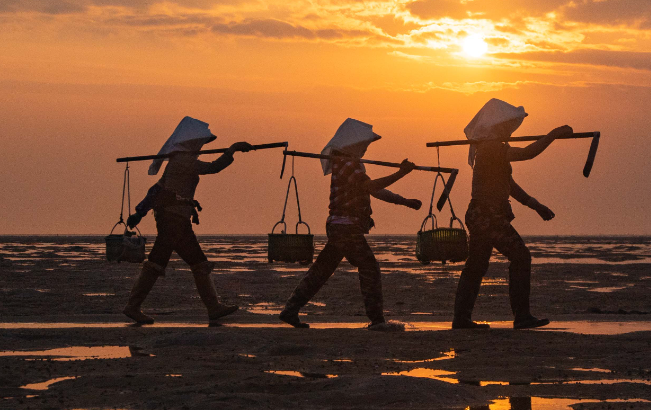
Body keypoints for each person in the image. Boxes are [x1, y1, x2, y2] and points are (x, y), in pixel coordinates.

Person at [278, 118, 422, 330]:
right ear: (354, 144)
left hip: (340, 227)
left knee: (322, 270)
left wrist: (404, 201)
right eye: (364, 145)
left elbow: (372, 189)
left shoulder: (348, 164)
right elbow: (371, 187)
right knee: (369, 267)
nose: (365, 148)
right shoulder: (348, 164)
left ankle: (290, 310)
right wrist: (401, 173)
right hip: (345, 227)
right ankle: (376, 320)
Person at [452, 99, 573, 330]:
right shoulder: (491, 148)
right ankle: (521, 316)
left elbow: (509, 185)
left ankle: (461, 319)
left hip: (482, 215)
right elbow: (528, 153)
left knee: (476, 265)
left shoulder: (490, 149)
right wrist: (553, 135)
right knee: (520, 257)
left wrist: (535, 206)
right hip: (487, 216)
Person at [123, 116, 253, 324]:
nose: (201, 146)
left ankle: (213, 307)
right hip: (173, 219)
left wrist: (140, 213)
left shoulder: (178, 160)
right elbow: (213, 168)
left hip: (176, 219)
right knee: (162, 262)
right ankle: (133, 306)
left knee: (196, 262)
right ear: (192, 142)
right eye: (199, 143)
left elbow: (156, 190)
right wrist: (232, 149)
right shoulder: (184, 161)